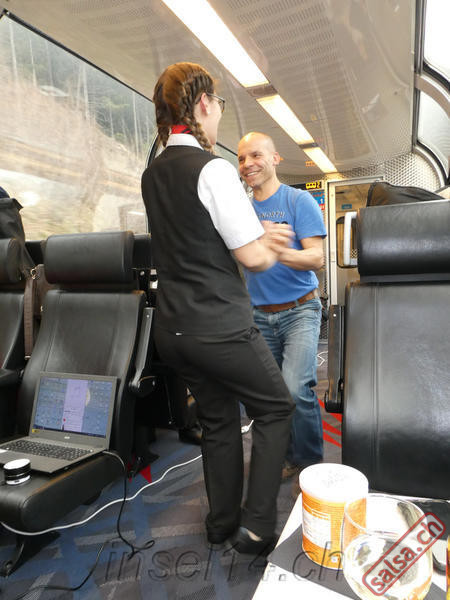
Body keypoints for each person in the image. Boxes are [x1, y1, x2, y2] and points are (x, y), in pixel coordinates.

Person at [141, 63, 294, 555]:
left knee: (219, 421)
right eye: (219, 104)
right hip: (219, 327)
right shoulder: (213, 168)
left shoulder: (152, 174)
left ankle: (220, 523)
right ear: (204, 102)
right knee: (276, 407)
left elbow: (193, 236)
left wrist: (251, 235)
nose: (219, 114)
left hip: (173, 331)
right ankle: (256, 525)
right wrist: (270, 243)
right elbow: (252, 258)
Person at [237, 132, 327, 490]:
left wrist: (272, 248)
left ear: (275, 159)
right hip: (259, 315)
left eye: (256, 155)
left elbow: (316, 258)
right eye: (241, 158)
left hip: (300, 310)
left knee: (295, 389)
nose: (248, 164)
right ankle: (285, 456)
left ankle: (310, 463)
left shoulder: (297, 200)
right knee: (272, 397)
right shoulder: (240, 210)